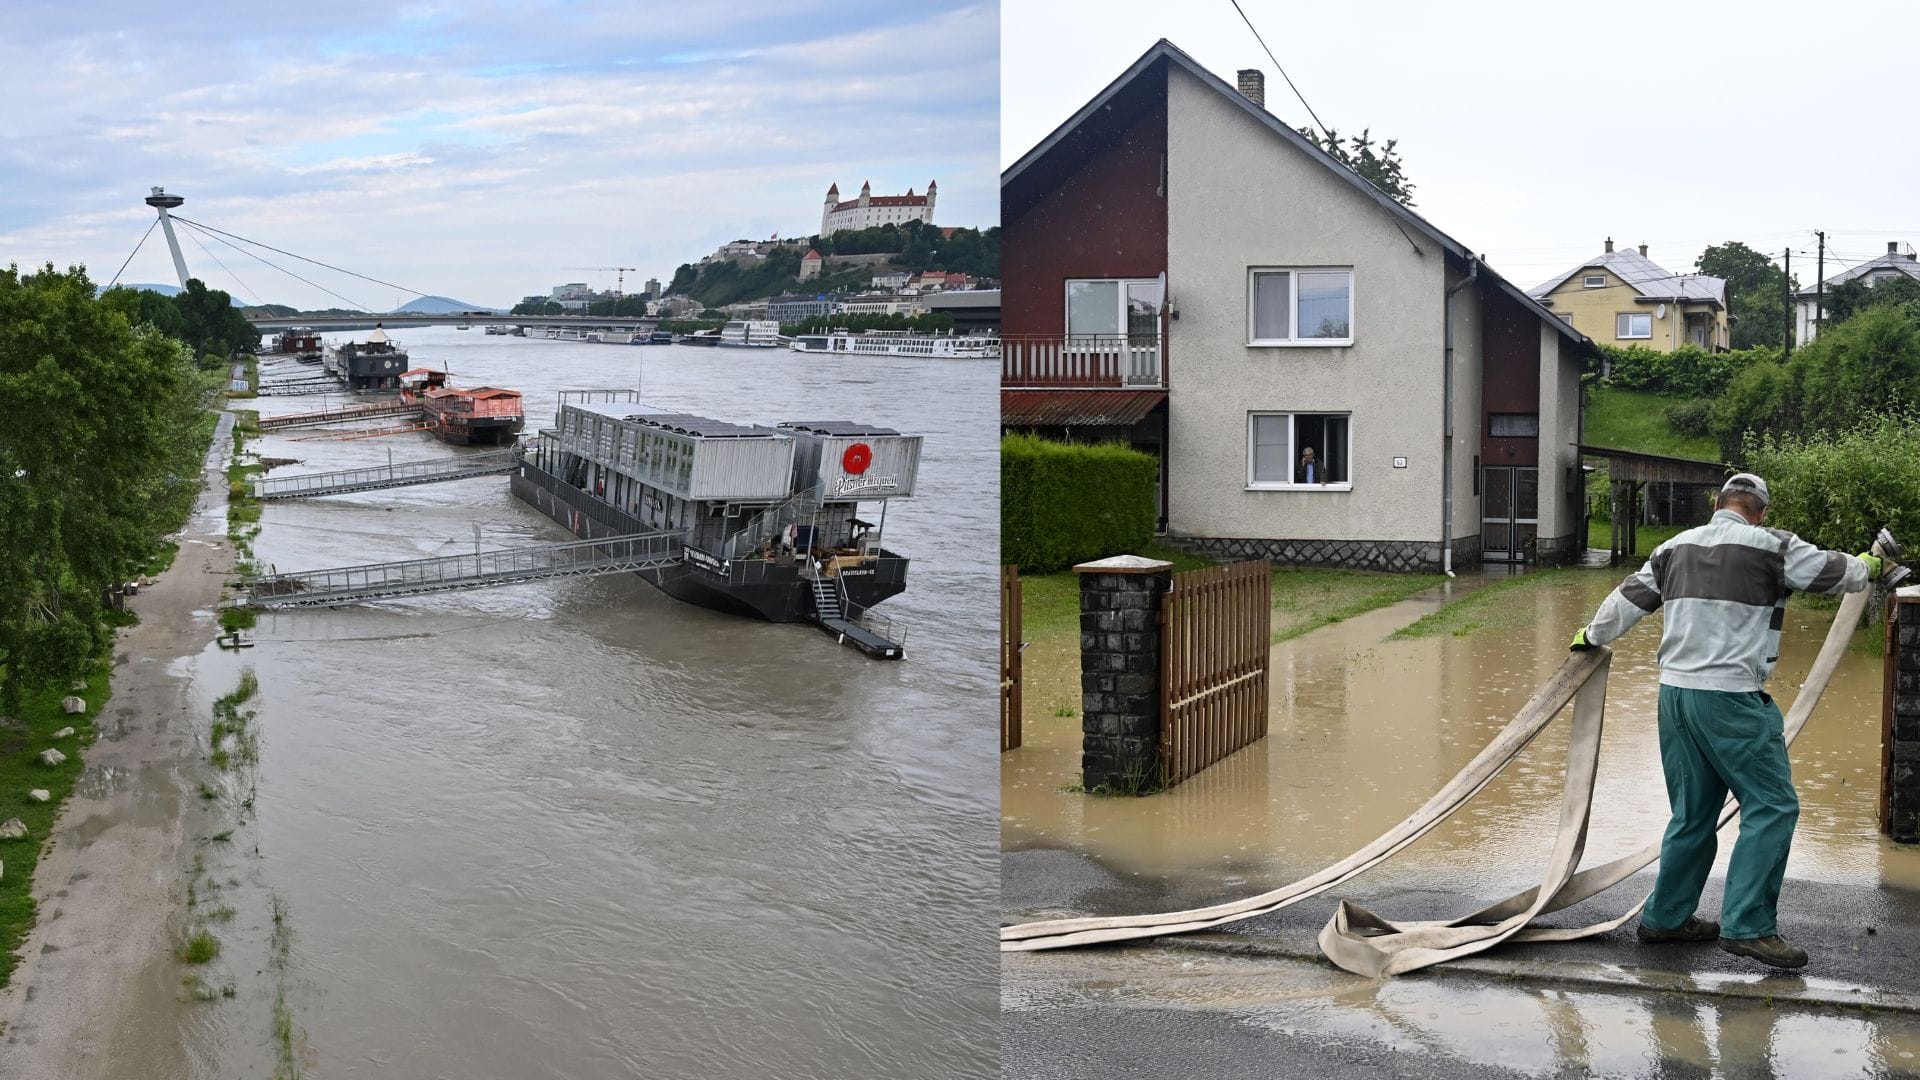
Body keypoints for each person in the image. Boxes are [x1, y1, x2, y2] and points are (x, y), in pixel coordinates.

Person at [1570, 472, 1880, 969]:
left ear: (1718, 504)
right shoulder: (1772, 546)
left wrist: (1590, 634)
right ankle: (1749, 926)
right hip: (1731, 697)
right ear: (1760, 511)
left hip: (1674, 697)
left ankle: (1667, 919)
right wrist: (1868, 564)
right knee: (1773, 806)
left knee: (1692, 813)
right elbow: (1837, 573)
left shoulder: (1674, 547)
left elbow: (1627, 602)